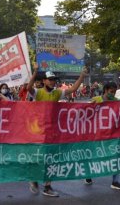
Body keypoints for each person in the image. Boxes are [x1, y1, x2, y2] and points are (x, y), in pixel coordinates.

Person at [27, 64, 88, 197]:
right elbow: (28, 88)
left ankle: (47, 187)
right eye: (50, 79)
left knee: (51, 158)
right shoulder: (38, 92)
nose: (52, 81)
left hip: (52, 130)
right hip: (38, 131)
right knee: (39, 157)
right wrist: (35, 72)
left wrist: (82, 75)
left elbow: (73, 89)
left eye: (54, 79)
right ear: (44, 81)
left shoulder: (57, 92)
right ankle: (33, 178)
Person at [84, 82, 120, 190]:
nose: (113, 93)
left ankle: (115, 181)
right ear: (105, 90)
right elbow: (86, 114)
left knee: (116, 156)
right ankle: (88, 175)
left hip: (112, 134)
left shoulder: (117, 102)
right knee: (93, 156)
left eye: (115, 91)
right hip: (97, 135)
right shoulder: (96, 100)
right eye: (111, 91)